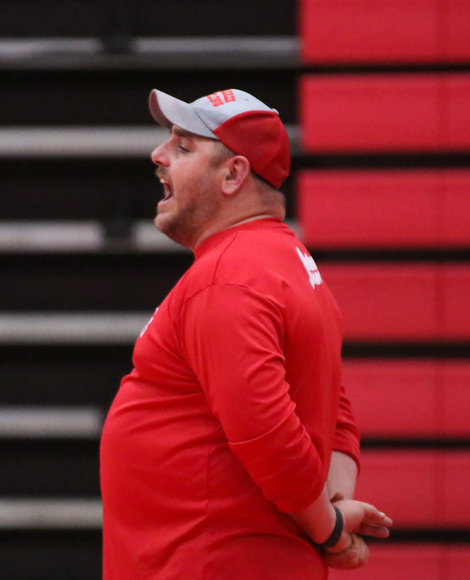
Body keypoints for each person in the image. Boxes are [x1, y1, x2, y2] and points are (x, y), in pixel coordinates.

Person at [99, 88, 393, 579]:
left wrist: (330, 528)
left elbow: (266, 430)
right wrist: (335, 504)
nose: (158, 155)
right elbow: (331, 399)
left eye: (184, 147)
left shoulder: (229, 276)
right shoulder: (286, 262)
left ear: (233, 174)